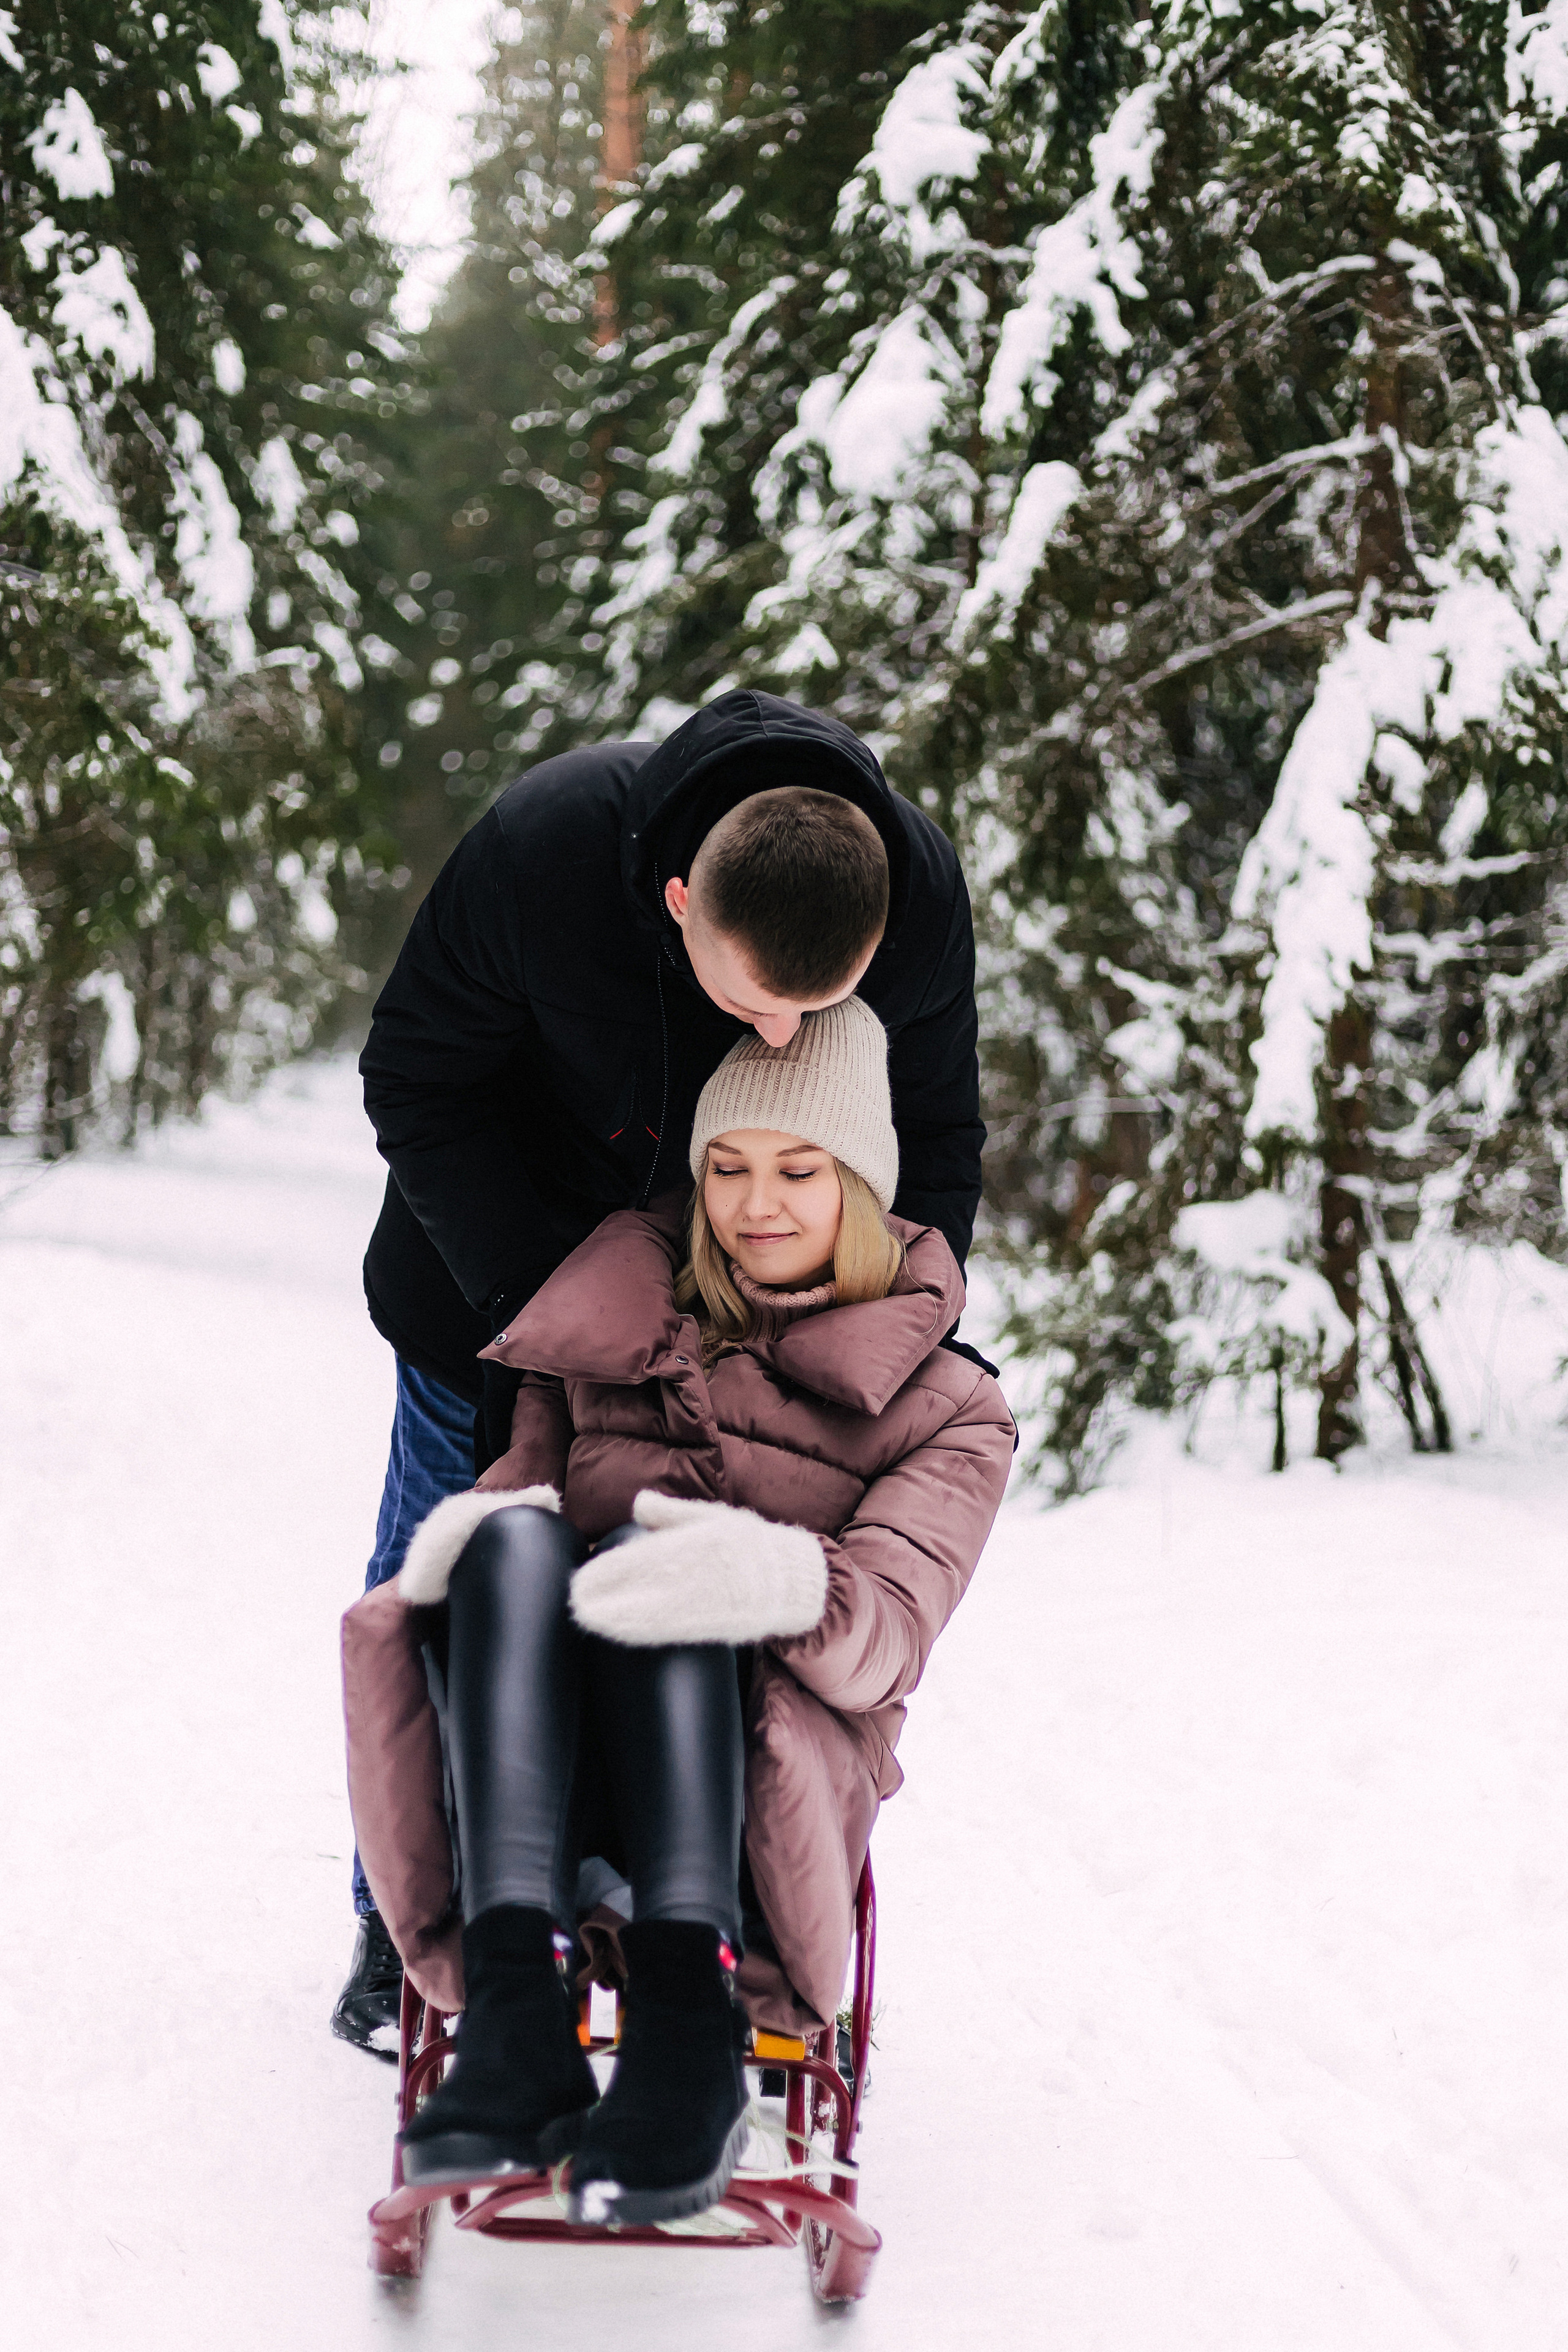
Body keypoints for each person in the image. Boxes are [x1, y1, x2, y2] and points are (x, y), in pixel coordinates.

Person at [334, 688, 988, 2054]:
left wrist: (890, 1325)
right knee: (454, 1584)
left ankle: (696, 1927)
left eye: (820, 1006)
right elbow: (414, 1078)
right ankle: (403, 1928)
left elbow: (927, 1133)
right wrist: (545, 1306)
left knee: (697, 1590)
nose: (777, 1035)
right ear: (681, 900)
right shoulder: (544, 855)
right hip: (501, 1289)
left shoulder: (908, 895)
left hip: (758, 1290)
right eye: (760, 997)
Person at [340, 1001, 1014, 2222]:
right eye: (727, 1168)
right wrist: (468, 1553)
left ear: (861, 1182)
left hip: (755, 1812)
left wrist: (767, 1578)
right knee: (512, 1547)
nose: (757, 1204)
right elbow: (521, 1505)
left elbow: (886, 1637)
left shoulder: (946, 1408)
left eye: (798, 1171)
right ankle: (515, 2012)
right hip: (543, 1780)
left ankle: (687, 2042)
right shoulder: (612, 1329)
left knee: (680, 1578)